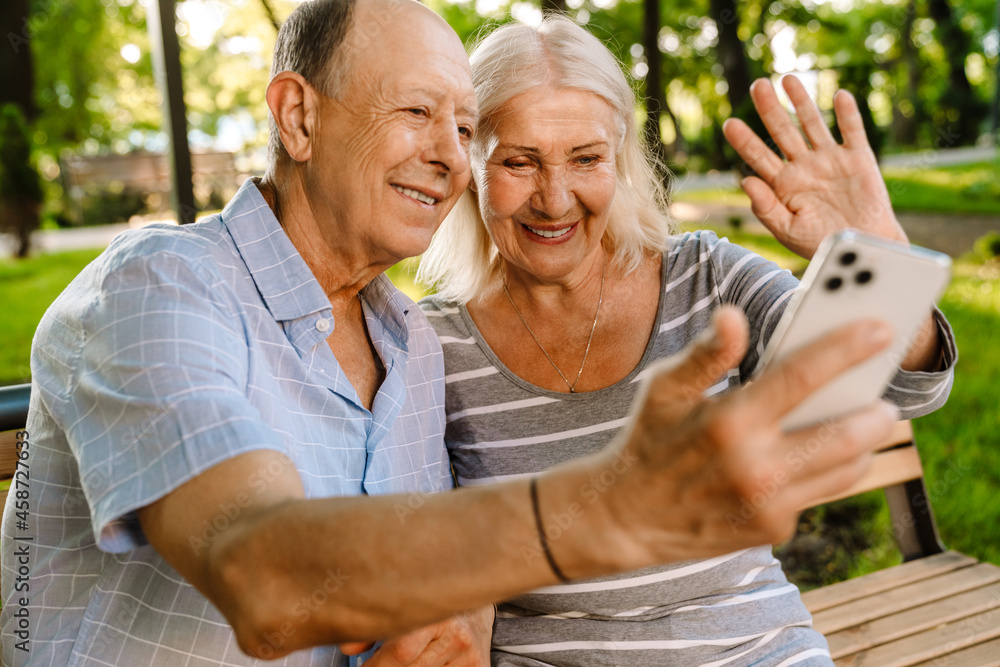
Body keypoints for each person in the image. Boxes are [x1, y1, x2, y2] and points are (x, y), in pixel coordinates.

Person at [0, 1, 933, 665]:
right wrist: (603, 506)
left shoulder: (404, 349)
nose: (448, 153)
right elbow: (268, 571)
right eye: (422, 114)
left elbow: (865, 386)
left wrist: (875, 262)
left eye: (459, 122)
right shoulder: (170, 288)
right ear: (298, 116)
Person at [417, 16, 956, 667]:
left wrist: (882, 266)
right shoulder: (434, 343)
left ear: (620, 158)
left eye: (586, 159)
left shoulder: (706, 275)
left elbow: (900, 389)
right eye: (519, 161)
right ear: (470, 161)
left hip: (755, 650)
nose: (555, 199)